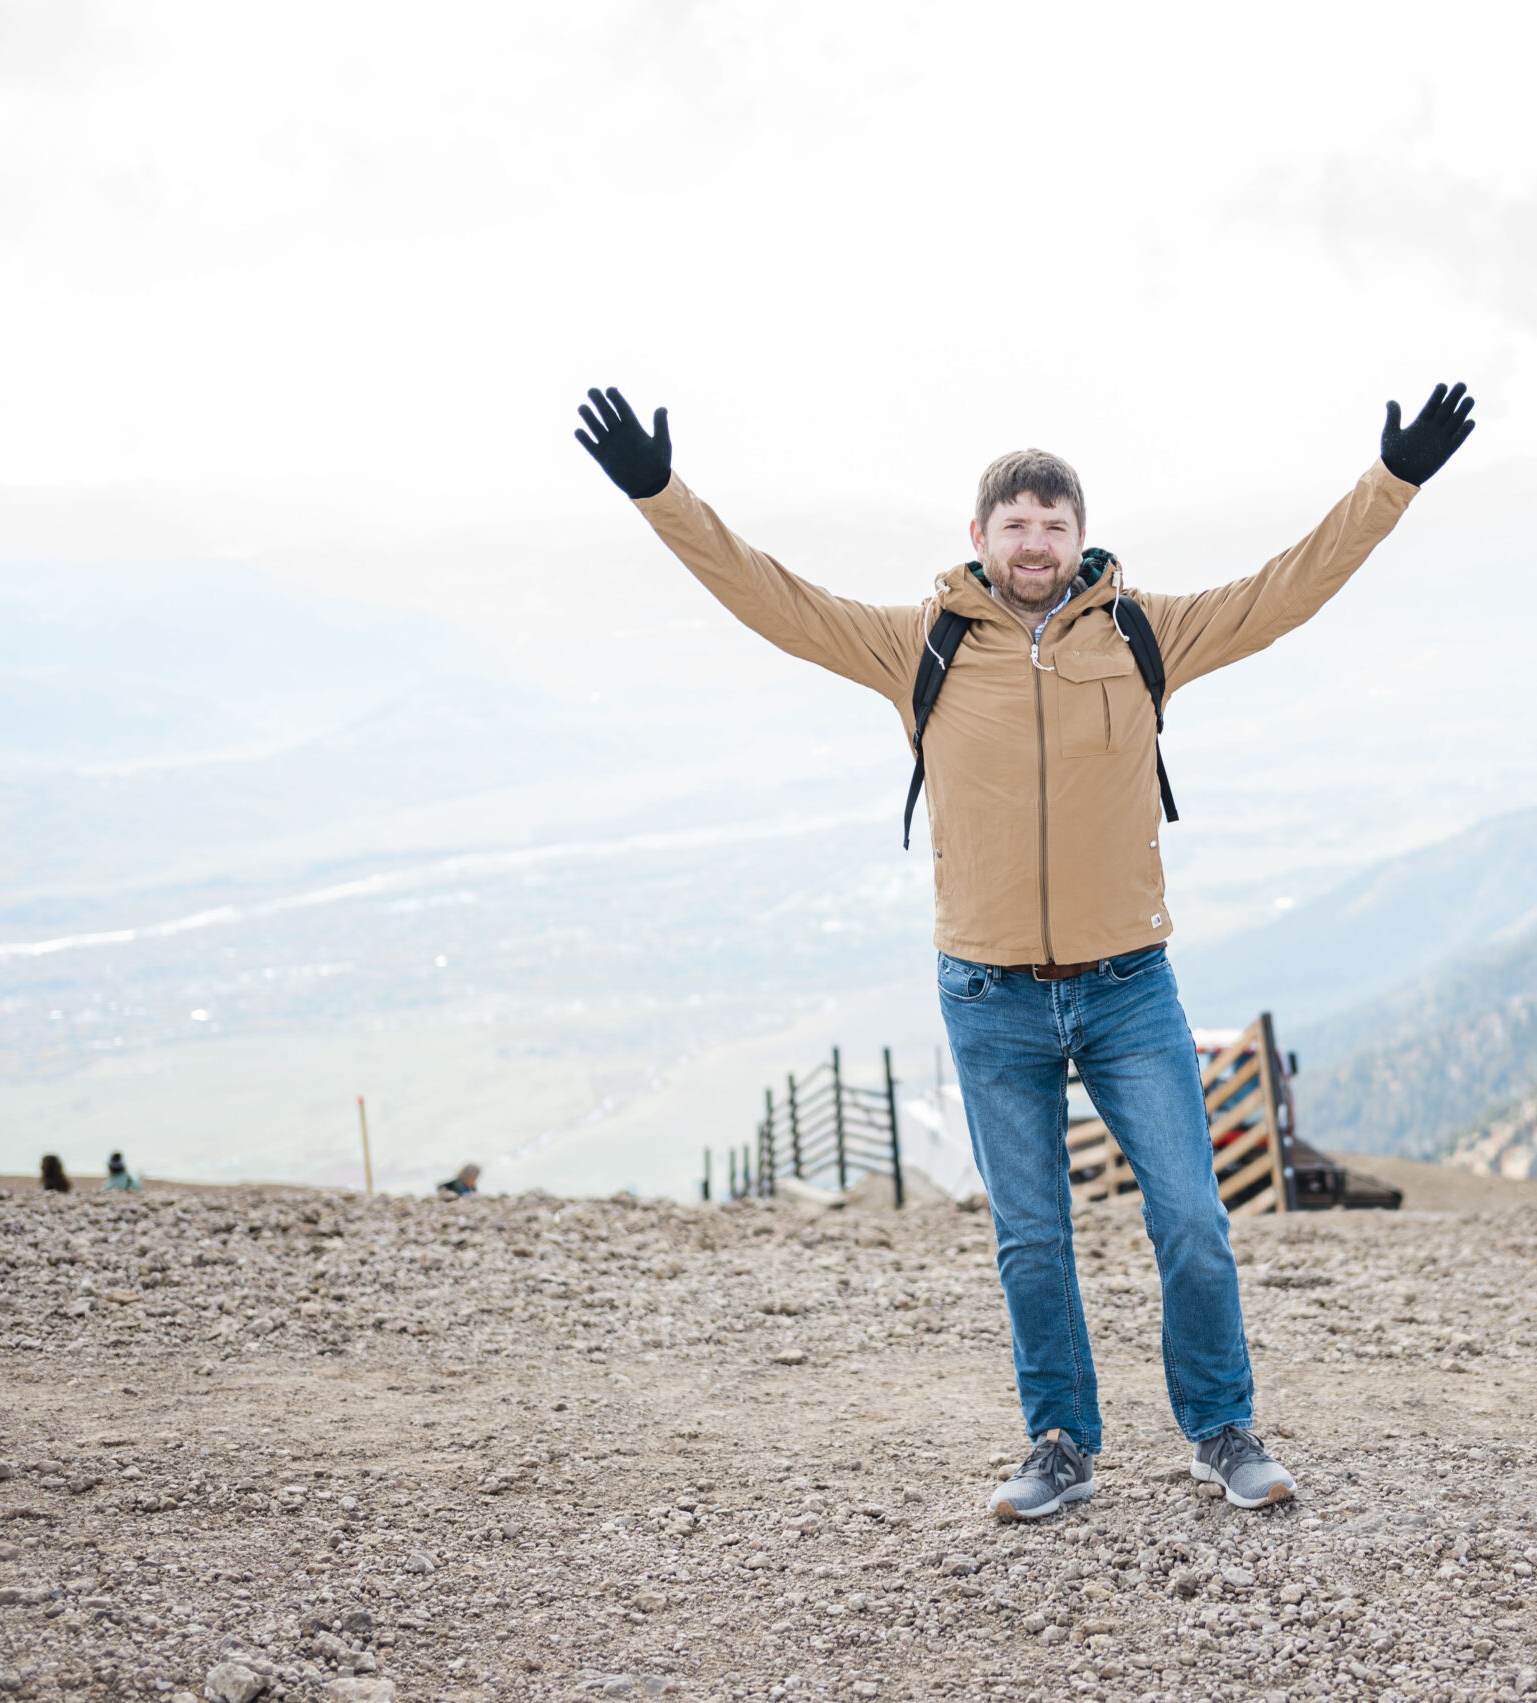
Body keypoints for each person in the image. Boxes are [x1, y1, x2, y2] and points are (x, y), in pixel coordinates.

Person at [575, 379, 1475, 1519]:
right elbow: (773, 598)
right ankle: (1059, 1441)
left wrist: (1393, 480)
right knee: (1033, 1239)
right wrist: (660, 493)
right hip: (987, 992)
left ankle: (1222, 1428)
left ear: (1080, 537)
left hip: (1127, 984)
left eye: (1054, 524)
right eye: (1016, 525)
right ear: (979, 538)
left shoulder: (1147, 630)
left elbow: (1287, 588)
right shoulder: (921, 644)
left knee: (1192, 1219)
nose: (1036, 541)